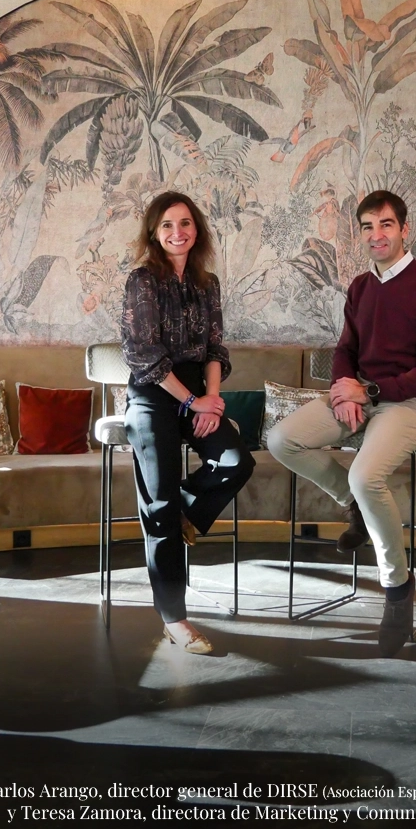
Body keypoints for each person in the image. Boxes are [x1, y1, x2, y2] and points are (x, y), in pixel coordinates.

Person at [267, 191, 416, 656]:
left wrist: (368, 393)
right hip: (363, 395)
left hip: (415, 401)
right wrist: (342, 390)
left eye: (386, 224)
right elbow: (345, 349)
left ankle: (397, 589)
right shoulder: (361, 287)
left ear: (404, 229)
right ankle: (354, 507)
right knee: (282, 439)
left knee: (366, 474)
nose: (377, 235)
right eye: (368, 227)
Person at [121, 191, 255, 654]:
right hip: (153, 394)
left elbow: (216, 348)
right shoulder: (142, 281)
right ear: (154, 233)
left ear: (196, 229)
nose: (177, 232)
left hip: (198, 392)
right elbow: (145, 356)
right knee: (158, 502)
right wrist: (193, 402)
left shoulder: (207, 283)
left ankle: (182, 513)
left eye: (185, 223)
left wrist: (211, 400)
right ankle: (174, 619)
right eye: (167, 225)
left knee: (236, 462)